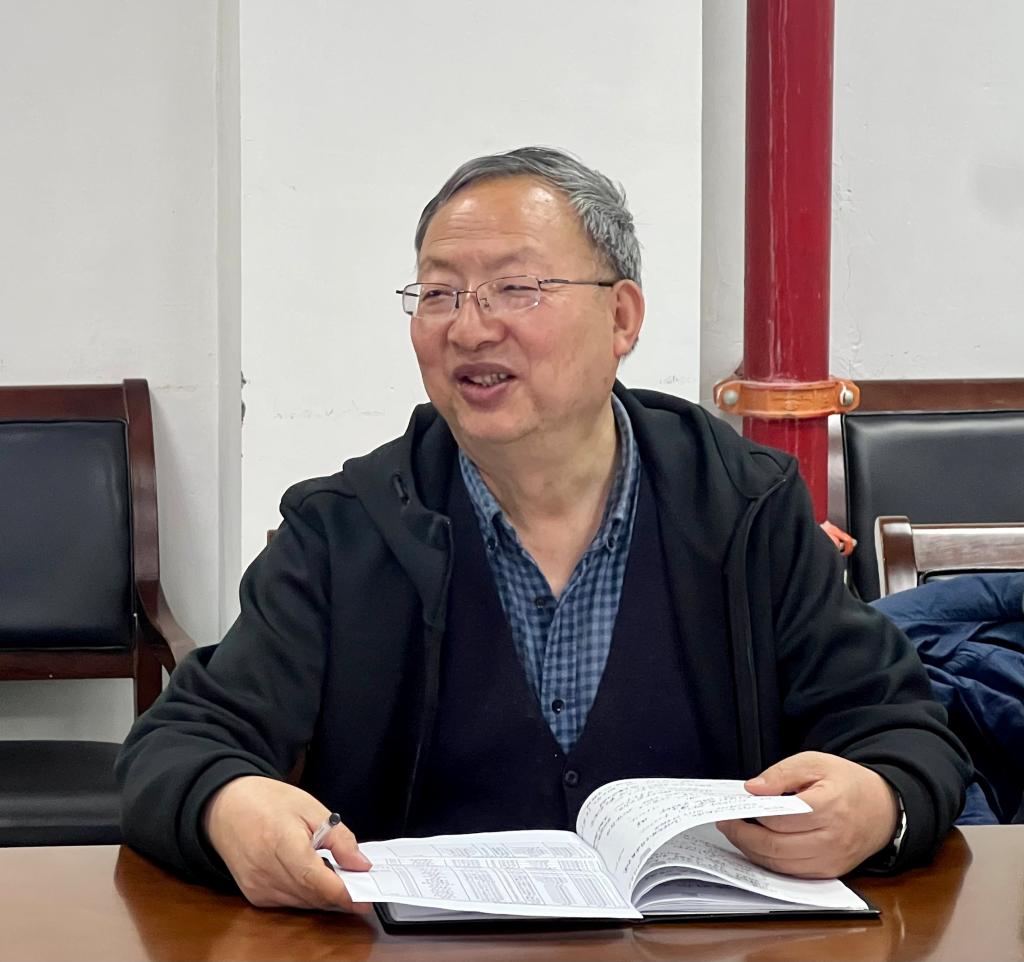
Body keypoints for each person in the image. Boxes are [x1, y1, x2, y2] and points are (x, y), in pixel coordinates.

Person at [116, 146, 970, 911]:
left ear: (622, 318)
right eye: (439, 293)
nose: (469, 327)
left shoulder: (743, 507)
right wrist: (229, 805)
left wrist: (876, 805)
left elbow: (902, 732)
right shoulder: (346, 530)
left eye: (516, 288)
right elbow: (180, 744)